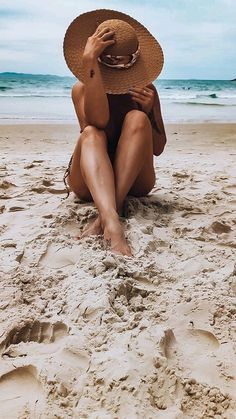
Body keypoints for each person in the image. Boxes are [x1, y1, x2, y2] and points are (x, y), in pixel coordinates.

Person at [63, 9, 167, 257]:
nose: (119, 65)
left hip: (135, 182)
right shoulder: (81, 90)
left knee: (137, 117)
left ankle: (108, 216)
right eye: (111, 60)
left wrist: (150, 111)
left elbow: (158, 147)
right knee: (90, 133)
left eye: (124, 60)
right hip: (90, 181)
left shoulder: (146, 90)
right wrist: (89, 63)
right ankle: (113, 223)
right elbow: (98, 122)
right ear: (99, 57)